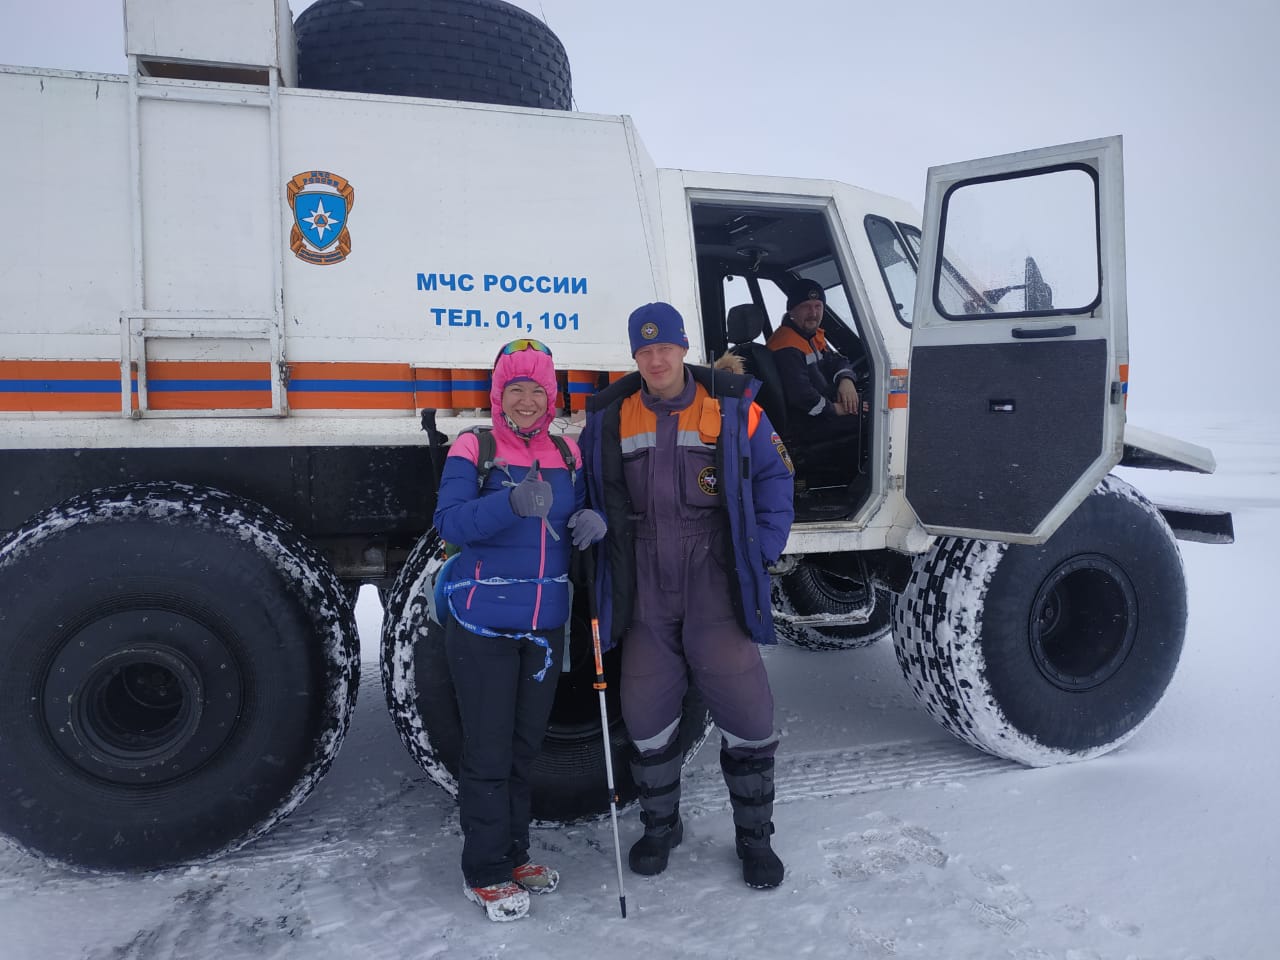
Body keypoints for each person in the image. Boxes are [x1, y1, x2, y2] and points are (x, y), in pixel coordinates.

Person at [580, 302, 796, 890]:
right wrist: (589, 517)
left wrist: (765, 548)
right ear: (635, 355)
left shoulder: (730, 406)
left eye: (665, 348)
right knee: (646, 713)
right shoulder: (609, 417)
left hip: (713, 576)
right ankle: (659, 826)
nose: (655, 359)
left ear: (682, 349)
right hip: (643, 579)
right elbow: (587, 488)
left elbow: (776, 476)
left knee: (749, 715)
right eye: (644, 350)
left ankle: (755, 840)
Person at [433, 338, 607, 922]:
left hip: (543, 627)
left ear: (551, 394)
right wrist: (508, 504)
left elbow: (577, 512)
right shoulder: (474, 445)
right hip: (482, 621)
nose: (528, 400)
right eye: (516, 389)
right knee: (486, 751)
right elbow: (450, 522)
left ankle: (514, 854)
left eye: (538, 389)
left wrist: (590, 518)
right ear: (499, 395)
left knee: (523, 750)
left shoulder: (568, 452)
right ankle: (483, 870)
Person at [765, 278, 862, 453]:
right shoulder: (786, 345)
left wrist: (846, 380)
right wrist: (836, 410)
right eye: (806, 306)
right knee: (876, 416)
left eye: (818, 306)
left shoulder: (810, 336)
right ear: (792, 310)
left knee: (867, 405)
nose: (813, 313)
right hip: (805, 424)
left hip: (818, 413)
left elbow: (836, 360)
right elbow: (801, 397)